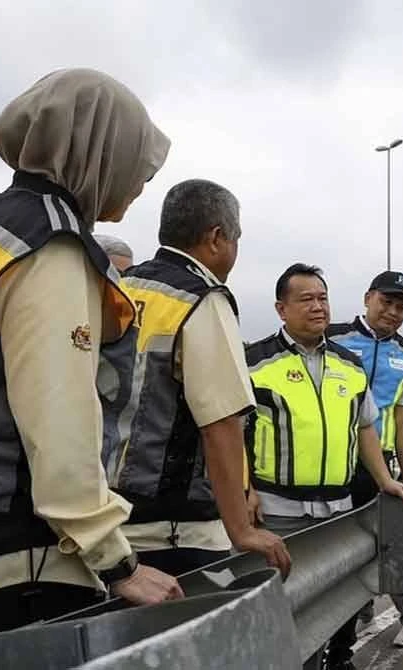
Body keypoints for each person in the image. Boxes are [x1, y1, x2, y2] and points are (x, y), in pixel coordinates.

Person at [0, 68, 182, 652]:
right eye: (134, 164)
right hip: (8, 561)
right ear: (96, 153)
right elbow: (60, 424)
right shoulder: (52, 249)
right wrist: (118, 563)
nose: (138, 184)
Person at [102, 179, 290, 578]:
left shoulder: (121, 287)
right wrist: (241, 529)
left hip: (106, 518)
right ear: (217, 238)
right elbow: (221, 421)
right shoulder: (201, 299)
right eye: (237, 238)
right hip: (176, 530)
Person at [245, 263, 403, 670]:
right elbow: (230, 434)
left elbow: (366, 426)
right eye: (306, 299)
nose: (318, 307)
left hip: (337, 510)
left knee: (330, 607)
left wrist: (385, 479)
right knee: (277, 612)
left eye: (322, 298)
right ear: (281, 308)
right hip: (276, 511)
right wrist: (242, 490)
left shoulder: (349, 364)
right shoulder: (253, 362)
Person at [328, 270, 403, 649]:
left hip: (380, 464)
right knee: (341, 548)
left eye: (401, 307)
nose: (393, 312)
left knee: (390, 542)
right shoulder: (333, 337)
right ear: (368, 297)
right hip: (331, 460)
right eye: (387, 302)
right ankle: (361, 615)